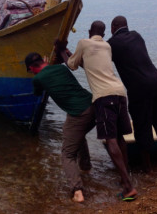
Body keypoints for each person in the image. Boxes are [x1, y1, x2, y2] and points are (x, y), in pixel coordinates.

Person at [57, 20, 137, 201]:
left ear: (89, 30)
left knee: (110, 140)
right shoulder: (107, 46)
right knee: (120, 138)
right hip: (119, 93)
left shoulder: (84, 43)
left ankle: (128, 186)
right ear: (104, 32)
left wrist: (62, 50)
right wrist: (72, 54)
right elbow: (92, 66)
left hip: (103, 97)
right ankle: (125, 178)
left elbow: (71, 65)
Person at [108, 15, 157, 173]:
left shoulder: (112, 44)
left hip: (139, 90)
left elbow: (99, 60)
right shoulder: (137, 36)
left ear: (114, 27)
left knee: (142, 127)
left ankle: (148, 168)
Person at [25, 52, 95, 203]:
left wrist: (37, 76)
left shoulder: (38, 78)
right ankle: (86, 167)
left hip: (78, 112)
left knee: (67, 154)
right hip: (92, 104)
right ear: (43, 60)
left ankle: (77, 191)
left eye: (30, 70)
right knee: (77, 135)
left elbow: (37, 93)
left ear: (32, 68)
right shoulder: (62, 69)